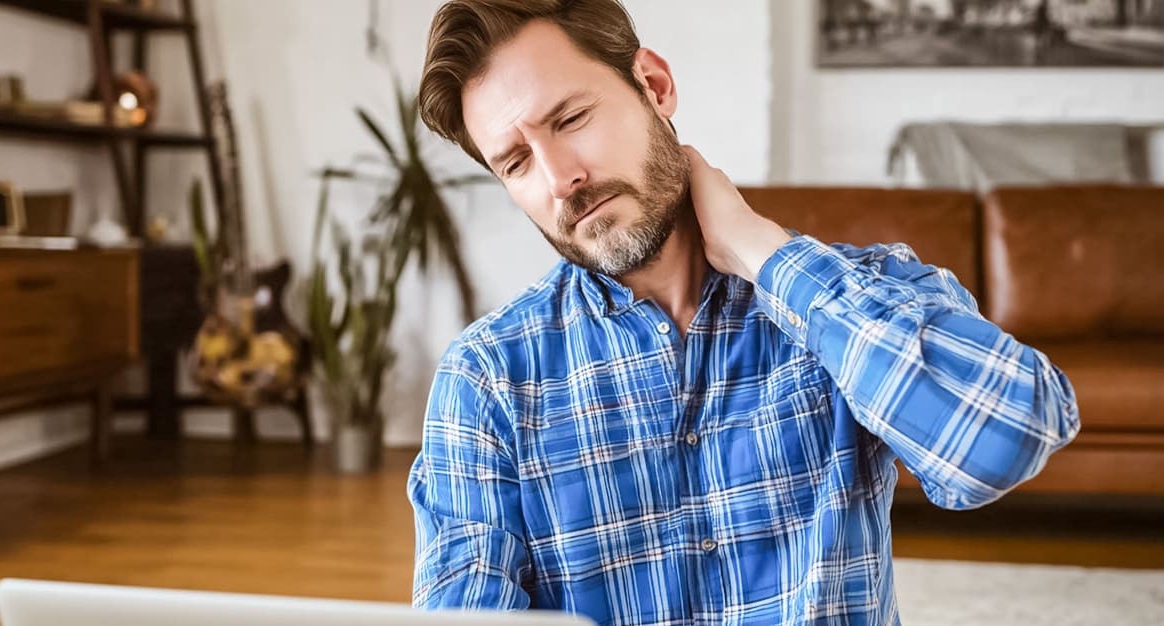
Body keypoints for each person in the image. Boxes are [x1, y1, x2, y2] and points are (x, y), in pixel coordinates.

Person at [407, 1, 1079, 624]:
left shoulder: (854, 297)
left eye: (571, 119)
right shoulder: (487, 377)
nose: (559, 178)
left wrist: (767, 255)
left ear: (654, 86)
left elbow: (1002, 443)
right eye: (517, 161)